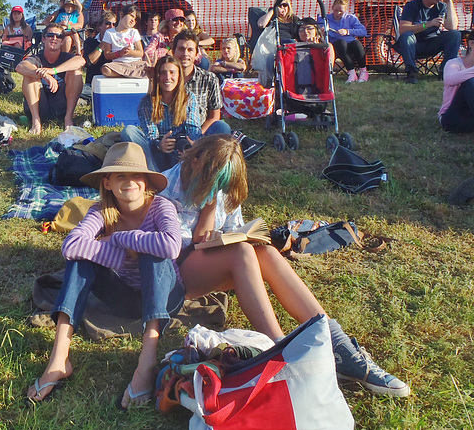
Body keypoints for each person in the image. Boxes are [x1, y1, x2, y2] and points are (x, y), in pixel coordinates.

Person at [159, 134, 411, 397]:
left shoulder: (221, 184)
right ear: (195, 161)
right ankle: (281, 349)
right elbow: (171, 250)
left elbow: (231, 229)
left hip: (210, 261)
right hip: (175, 273)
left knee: (265, 252)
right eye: (215, 185)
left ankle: (337, 343)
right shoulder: (167, 188)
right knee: (242, 254)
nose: (218, 192)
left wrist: (234, 235)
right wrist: (209, 211)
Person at [25, 142, 184, 410]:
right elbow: (70, 246)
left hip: (164, 296)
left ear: (146, 182)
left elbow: (171, 245)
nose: (130, 182)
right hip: (124, 297)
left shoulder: (161, 206)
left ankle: (146, 362)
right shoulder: (100, 210)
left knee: (151, 252)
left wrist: (122, 239)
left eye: (136, 176)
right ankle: (59, 358)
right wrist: (119, 253)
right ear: (108, 182)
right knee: (79, 260)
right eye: (121, 176)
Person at [121, 55, 202, 172]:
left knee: (219, 129)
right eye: (163, 73)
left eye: (172, 72)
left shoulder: (189, 98)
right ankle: (155, 176)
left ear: (179, 76)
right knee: (129, 131)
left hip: (184, 153)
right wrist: (160, 144)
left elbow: (193, 128)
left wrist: (191, 145)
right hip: (157, 154)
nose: (167, 77)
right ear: (157, 77)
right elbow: (150, 134)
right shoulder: (146, 102)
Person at [15, 23, 85, 132]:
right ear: (43, 39)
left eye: (59, 36)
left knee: (75, 73)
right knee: (30, 76)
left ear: (62, 41)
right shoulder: (37, 58)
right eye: (50, 35)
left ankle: (68, 118)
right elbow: (20, 67)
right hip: (40, 107)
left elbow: (81, 61)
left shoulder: (66, 57)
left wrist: (53, 70)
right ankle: (36, 121)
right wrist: (45, 75)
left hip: (61, 106)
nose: (54, 38)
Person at [397, 0, 461, 84]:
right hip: (414, 44)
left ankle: (446, 71)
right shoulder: (412, 5)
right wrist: (427, 24)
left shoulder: (441, 6)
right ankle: (411, 73)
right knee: (407, 36)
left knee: (455, 34)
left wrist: (449, 1)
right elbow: (403, 29)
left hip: (432, 42)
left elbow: (452, 27)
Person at [172, 30, 230, 135]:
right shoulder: (165, 78)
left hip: (201, 133)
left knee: (222, 127)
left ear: (196, 54)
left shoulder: (209, 79)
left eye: (190, 50)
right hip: (171, 134)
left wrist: (198, 136)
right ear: (173, 52)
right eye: (181, 49)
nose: (185, 54)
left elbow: (214, 116)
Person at [320, 0, 368, 83]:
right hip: (336, 46)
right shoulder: (325, 19)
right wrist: (322, 31)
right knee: (341, 43)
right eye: (336, 10)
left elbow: (363, 31)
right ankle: (351, 72)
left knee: (357, 44)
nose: (338, 13)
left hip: (350, 43)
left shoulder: (351, 18)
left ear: (346, 10)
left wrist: (347, 31)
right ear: (332, 7)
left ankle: (363, 71)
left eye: (341, 11)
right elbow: (319, 31)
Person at [439, 31, 474, 133]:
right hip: (453, 116)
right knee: (470, 82)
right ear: (471, 44)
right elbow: (449, 80)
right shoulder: (454, 63)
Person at [100, 5, 147, 78]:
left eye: (135, 19)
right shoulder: (109, 33)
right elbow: (107, 55)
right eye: (131, 16)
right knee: (105, 70)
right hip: (118, 64)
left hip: (135, 63)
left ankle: (128, 73)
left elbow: (140, 53)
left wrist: (131, 52)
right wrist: (120, 53)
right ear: (122, 14)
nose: (132, 20)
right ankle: (131, 73)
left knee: (149, 68)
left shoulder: (134, 32)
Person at [81, 11, 116, 101]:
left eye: (114, 24)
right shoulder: (90, 42)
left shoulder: (118, 43)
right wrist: (103, 44)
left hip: (112, 84)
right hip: (93, 85)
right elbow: (89, 63)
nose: (111, 26)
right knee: (78, 90)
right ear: (100, 26)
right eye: (108, 23)